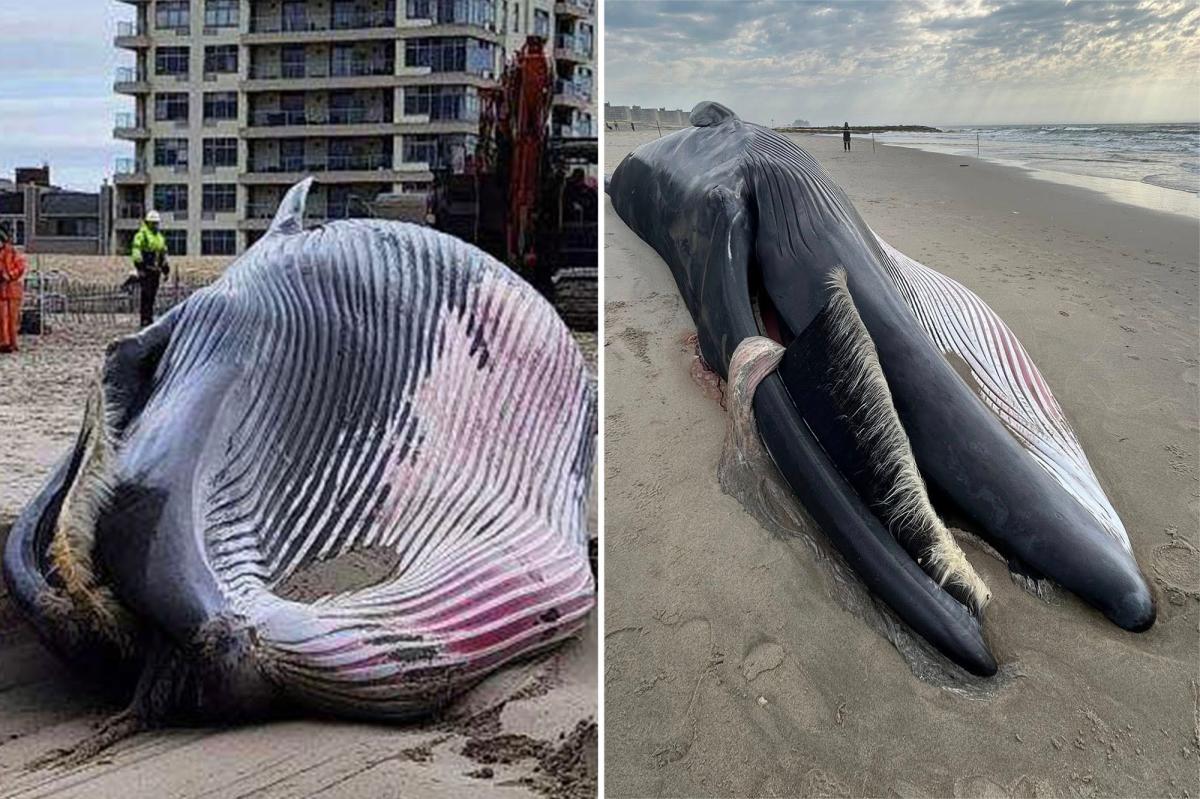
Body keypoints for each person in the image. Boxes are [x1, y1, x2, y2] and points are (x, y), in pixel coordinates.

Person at [130, 209, 169, 327]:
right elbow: (136, 251)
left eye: (156, 223)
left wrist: (166, 269)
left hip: (155, 271)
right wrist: (140, 267)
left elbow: (163, 254)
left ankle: (149, 318)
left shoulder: (159, 237)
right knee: (146, 294)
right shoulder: (141, 235)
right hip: (146, 269)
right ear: (147, 223)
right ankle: (144, 319)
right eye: (153, 223)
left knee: (152, 295)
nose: (155, 225)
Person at [0, 227, 26, 353]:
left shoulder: (13, 253)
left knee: (12, 319)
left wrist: (9, 275)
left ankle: (11, 343)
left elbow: (20, 268)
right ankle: (4, 342)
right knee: (2, 318)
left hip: (11, 290)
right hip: (2, 290)